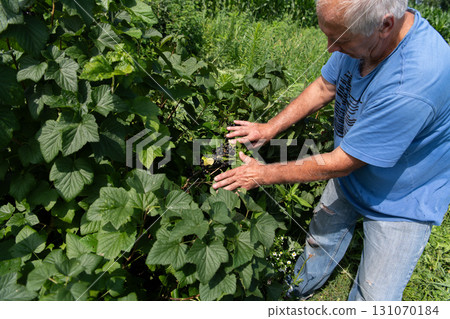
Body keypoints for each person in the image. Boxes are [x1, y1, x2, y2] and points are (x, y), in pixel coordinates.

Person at [212, 0, 450, 301]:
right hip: (350, 171)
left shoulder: (414, 83)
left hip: (403, 197)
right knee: (319, 238)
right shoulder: (363, 33)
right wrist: (270, 127)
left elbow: (342, 162)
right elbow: (326, 86)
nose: (329, 48)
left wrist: (262, 174)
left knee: (374, 299)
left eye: (340, 39)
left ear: (385, 25)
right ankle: (295, 290)